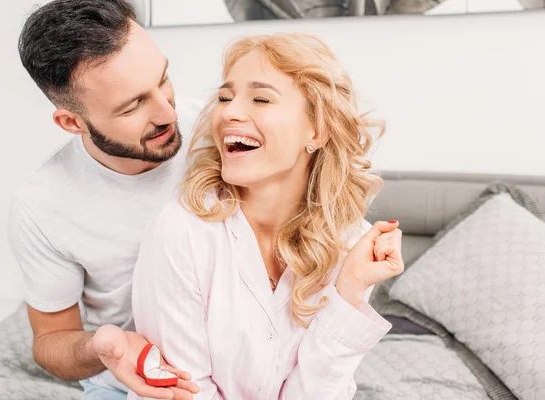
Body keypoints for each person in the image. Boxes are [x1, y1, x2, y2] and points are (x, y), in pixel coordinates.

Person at [129, 33, 404, 399]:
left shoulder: (351, 242)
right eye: (224, 98)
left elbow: (319, 390)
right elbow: (185, 391)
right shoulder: (181, 230)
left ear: (317, 130)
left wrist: (349, 290)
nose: (229, 112)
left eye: (260, 98)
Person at [9, 0, 200, 398]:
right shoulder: (42, 205)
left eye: (163, 80)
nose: (168, 112)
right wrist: (101, 348)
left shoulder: (222, 133)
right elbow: (51, 340)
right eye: (133, 105)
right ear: (72, 122)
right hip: (124, 383)